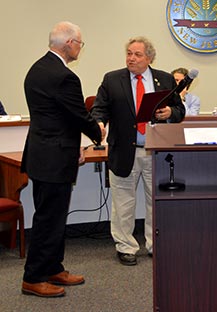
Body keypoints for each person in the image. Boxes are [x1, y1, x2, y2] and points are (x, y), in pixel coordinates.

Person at [21, 21, 102, 297]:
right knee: (49, 219)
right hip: (54, 158)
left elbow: (57, 117)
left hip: (43, 154)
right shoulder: (64, 76)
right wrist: (98, 132)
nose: (80, 48)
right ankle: (33, 277)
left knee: (52, 216)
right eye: (80, 43)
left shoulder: (37, 69)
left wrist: (77, 141)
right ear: (69, 44)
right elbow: (78, 115)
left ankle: (53, 267)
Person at [91, 37, 185, 266]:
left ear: (149, 58)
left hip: (157, 151)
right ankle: (126, 247)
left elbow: (179, 110)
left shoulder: (163, 79)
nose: (131, 58)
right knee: (123, 203)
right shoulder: (112, 79)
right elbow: (99, 109)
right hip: (124, 151)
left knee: (158, 201)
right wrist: (99, 124)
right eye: (129, 53)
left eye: (137, 54)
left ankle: (156, 244)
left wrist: (169, 112)